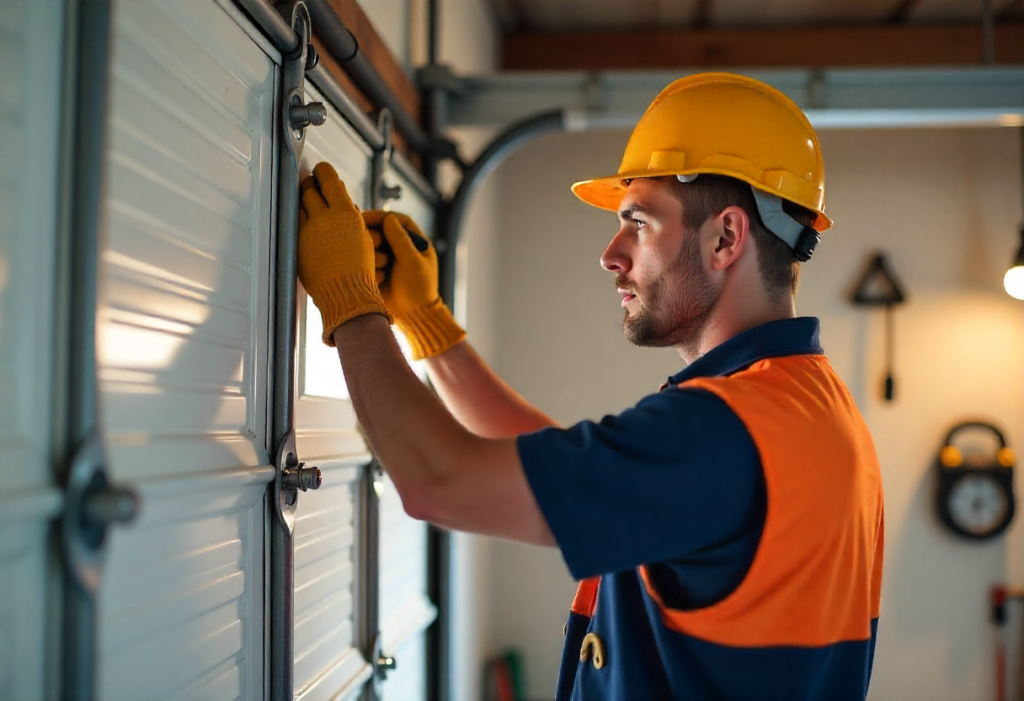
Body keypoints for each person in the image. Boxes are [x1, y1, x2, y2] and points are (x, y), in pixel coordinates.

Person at [297, 72, 884, 701]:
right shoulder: (802, 406)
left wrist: (351, 304)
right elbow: (560, 472)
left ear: (726, 237)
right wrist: (427, 326)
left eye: (639, 223)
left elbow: (441, 483)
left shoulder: (725, 429)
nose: (611, 253)